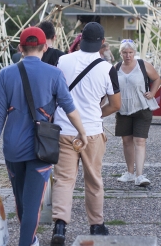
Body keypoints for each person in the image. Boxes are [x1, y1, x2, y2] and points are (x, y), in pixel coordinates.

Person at [0, 27, 88, 246]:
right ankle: (28, 241)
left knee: (21, 200)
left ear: (21, 48)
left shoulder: (6, 74)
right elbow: (69, 108)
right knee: (32, 204)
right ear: (45, 47)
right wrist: (82, 132)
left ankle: (30, 239)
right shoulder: (54, 74)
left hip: (13, 148)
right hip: (42, 148)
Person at [51, 22, 121, 244]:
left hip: (64, 130)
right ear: (102, 43)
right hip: (91, 132)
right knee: (93, 179)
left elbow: (52, 93)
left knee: (63, 180)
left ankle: (60, 227)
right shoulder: (107, 68)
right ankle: (96, 226)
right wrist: (97, 115)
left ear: (80, 39)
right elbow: (116, 104)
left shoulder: (62, 61)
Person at [114, 40, 161, 187]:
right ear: (120, 53)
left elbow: (157, 78)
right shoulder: (115, 68)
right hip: (123, 109)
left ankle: (140, 175)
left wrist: (152, 93)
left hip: (142, 107)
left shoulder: (143, 65)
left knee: (140, 141)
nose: (128, 55)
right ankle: (130, 172)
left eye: (130, 52)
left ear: (134, 53)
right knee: (126, 141)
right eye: (125, 53)